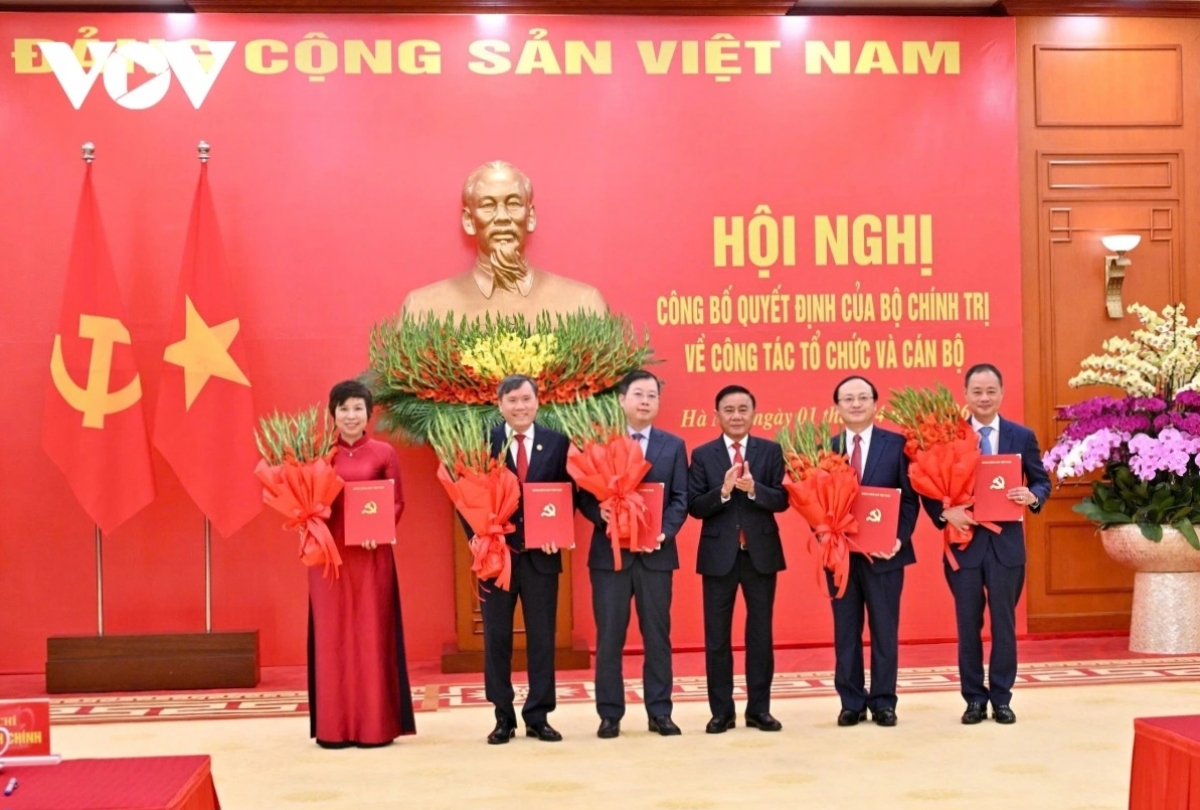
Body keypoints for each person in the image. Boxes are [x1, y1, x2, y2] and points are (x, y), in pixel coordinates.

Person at [921, 363, 1050, 725]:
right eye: (977, 391)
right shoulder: (948, 436)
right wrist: (947, 514)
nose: (984, 398)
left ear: (1002, 393)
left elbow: (1042, 482)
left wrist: (1032, 495)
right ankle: (974, 699)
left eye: (990, 391)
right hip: (964, 546)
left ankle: (1002, 697)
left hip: (1007, 546)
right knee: (967, 624)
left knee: (1005, 625)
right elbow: (927, 489)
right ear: (966, 395)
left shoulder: (1021, 436)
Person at [579, 370, 689, 739]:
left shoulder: (673, 445)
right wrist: (600, 513)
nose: (645, 401)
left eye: (652, 396)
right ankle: (610, 714)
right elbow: (582, 495)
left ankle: (660, 711)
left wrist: (665, 531)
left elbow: (680, 498)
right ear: (622, 400)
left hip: (656, 555)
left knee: (658, 636)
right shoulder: (601, 441)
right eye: (638, 394)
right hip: (610, 555)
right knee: (610, 636)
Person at [308, 379, 416, 748]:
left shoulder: (384, 452)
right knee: (332, 637)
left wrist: (381, 528)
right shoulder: (319, 453)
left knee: (372, 634)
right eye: (343, 408)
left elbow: (397, 501)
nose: (350, 416)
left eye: (357, 408)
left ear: (369, 413)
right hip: (328, 557)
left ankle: (375, 726)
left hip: (372, 556)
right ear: (332, 413)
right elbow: (304, 497)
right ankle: (333, 728)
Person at [688, 385, 789, 734]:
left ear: (753, 413)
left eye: (743, 409)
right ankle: (722, 712)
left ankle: (759, 710)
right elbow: (694, 506)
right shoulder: (703, 455)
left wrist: (754, 489)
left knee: (760, 635)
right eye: (728, 409)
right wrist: (726, 491)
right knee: (717, 638)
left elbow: (782, 500)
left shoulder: (771, 451)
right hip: (719, 557)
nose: (736, 415)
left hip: (760, 555)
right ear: (716, 415)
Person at [481, 374, 573, 744]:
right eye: (512, 401)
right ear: (500, 404)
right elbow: (465, 498)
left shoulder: (557, 443)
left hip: (542, 558)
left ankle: (538, 714)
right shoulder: (483, 442)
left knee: (541, 638)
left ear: (538, 402)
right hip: (495, 558)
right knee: (497, 638)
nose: (520, 407)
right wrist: (481, 538)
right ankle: (503, 716)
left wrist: (558, 533)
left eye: (526, 399)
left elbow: (568, 493)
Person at [402, 160, 608, 321]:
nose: (502, 217)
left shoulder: (584, 305)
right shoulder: (422, 310)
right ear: (468, 220)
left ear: (531, 217)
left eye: (513, 204)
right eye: (488, 205)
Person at [827, 376, 919, 728]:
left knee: (884, 629)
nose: (855, 404)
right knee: (845, 630)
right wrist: (826, 535)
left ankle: (883, 701)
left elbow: (909, 500)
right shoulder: (826, 449)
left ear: (875, 403)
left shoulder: (897, 446)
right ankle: (851, 701)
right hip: (842, 558)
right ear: (837, 406)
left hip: (886, 555)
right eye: (847, 398)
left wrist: (899, 537)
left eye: (862, 397)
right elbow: (816, 505)